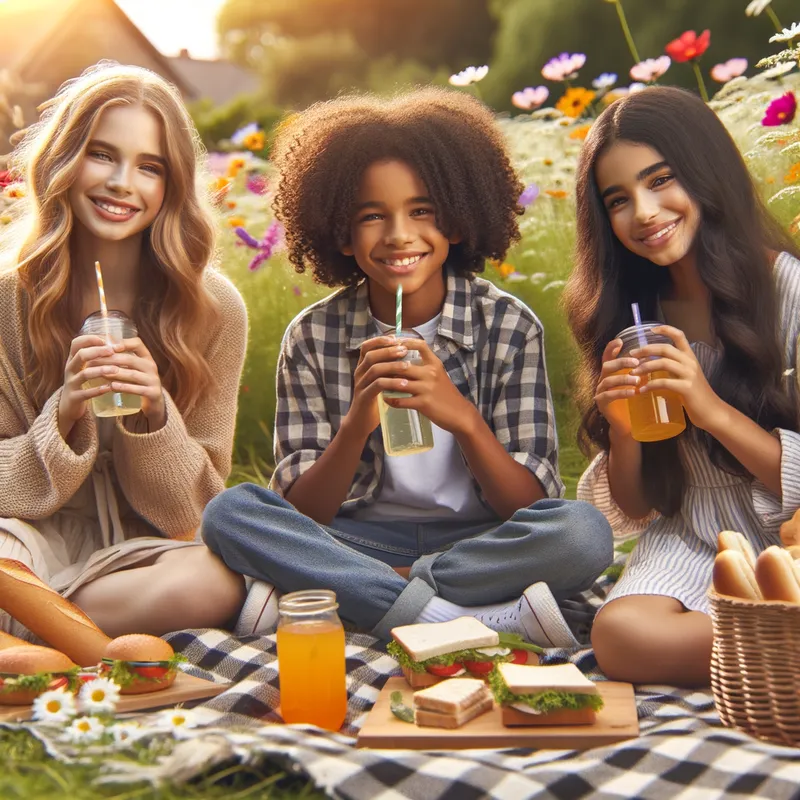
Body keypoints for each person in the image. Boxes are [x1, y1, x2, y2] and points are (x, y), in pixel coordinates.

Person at [202, 88, 613, 646]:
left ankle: (358, 598)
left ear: (459, 222)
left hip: (477, 545)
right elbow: (303, 512)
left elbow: (530, 505)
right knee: (231, 511)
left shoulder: (509, 327)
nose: (399, 235)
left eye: (422, 211)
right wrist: (355, 427)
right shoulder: (311, 336)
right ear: (342, 234)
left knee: (583, 533)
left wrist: (462, 417)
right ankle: (449, 615)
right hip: (357, 541)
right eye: (373, 216)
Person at [0, 63, 248, 638]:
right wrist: (62, 415)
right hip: (27, 542)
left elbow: (199, 508)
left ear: (172, 185)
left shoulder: (213, 308)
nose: (121, 183)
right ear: (65, 158)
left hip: (143, 555)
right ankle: (68, 628)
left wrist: (157, 414)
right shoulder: (8, 300)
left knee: (212, 582)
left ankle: (37, 629)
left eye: (149, 167)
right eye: (102, 154)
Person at [564, 86, 800, 686]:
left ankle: (771, 646)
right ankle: (779, 649)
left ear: (705, 171)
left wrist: (711, 409)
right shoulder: (628, 314)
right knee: (619, 635)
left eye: (660, 179)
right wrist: (622, 432)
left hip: (791, 534)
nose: (643, 211)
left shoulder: (786, 291)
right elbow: (641, 506)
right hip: (694, 533)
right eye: (618, 199)